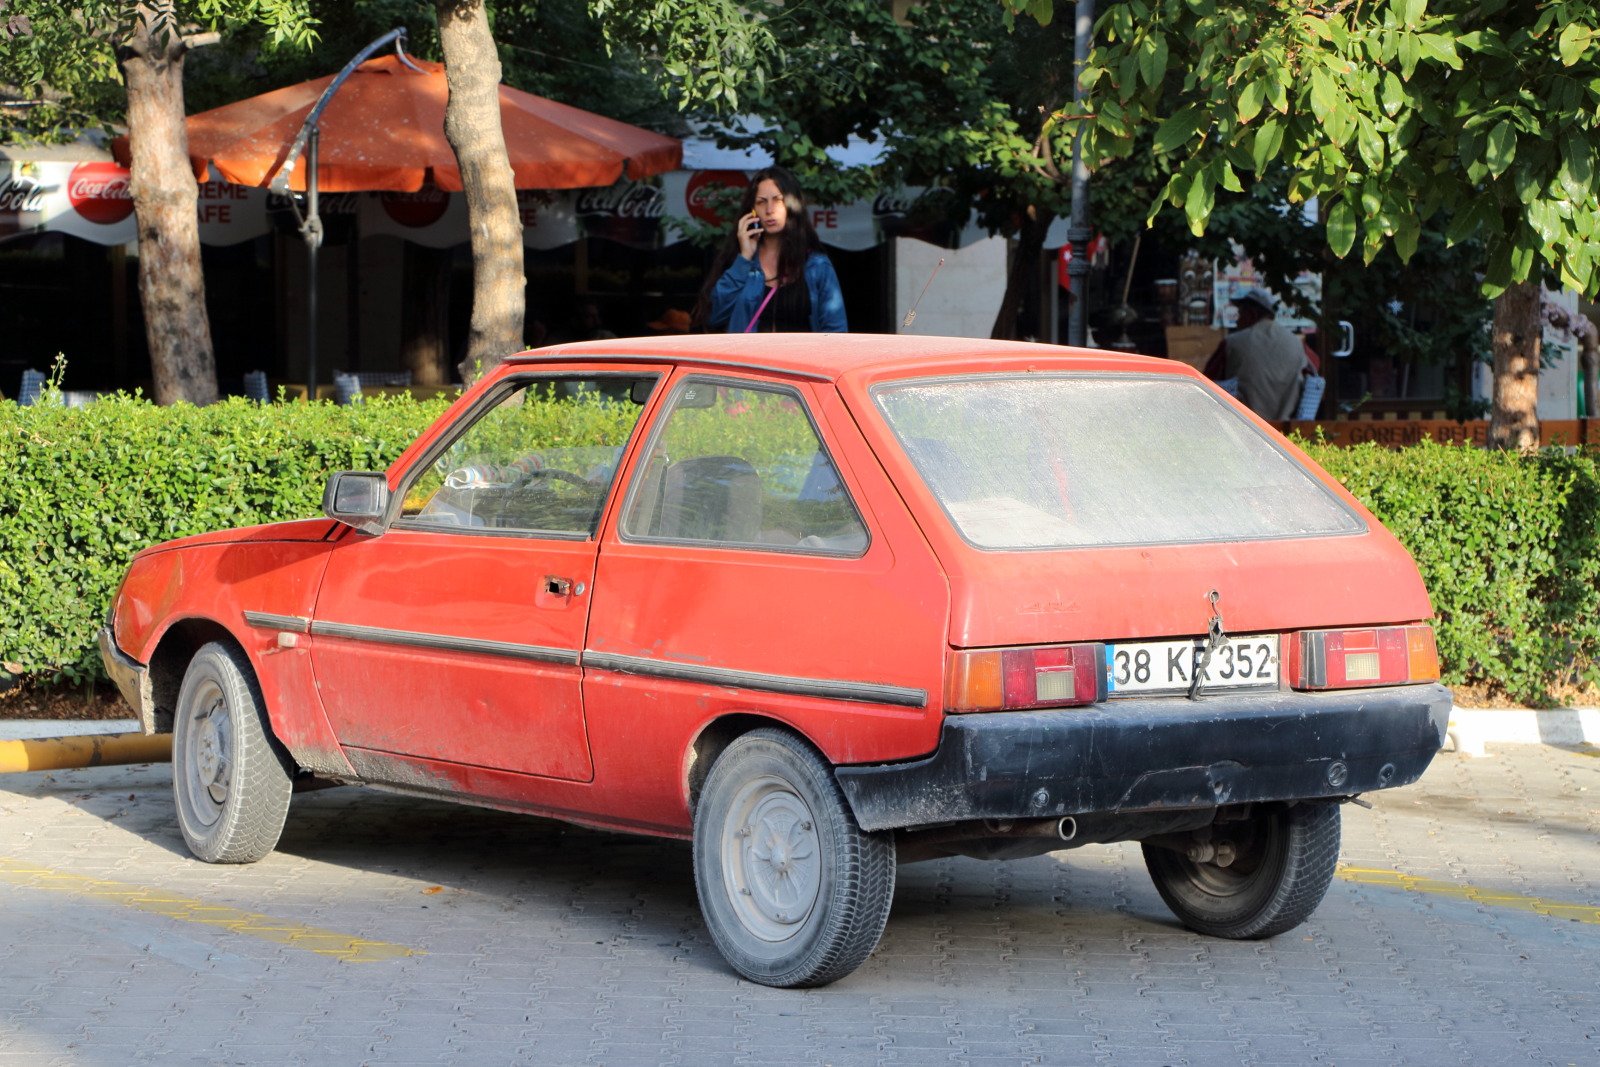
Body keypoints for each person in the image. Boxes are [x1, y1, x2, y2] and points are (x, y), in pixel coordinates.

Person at [693, 166, 848, 333]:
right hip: (749, 358)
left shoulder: (816, 266)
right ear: (752, 211)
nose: (769, 210)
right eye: (761, 202)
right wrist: (744, 258)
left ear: (792, 205)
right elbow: (714, 316)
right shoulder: (741, 262)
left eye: (777, 200)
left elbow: (836, 331)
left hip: (798, 358)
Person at [1210, 287, 1312, 419]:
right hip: (1286, 429)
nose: (1237, 320)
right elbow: (1311, 376)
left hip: (1245, 426)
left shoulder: (1232, 342)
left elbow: (1208, 381)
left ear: (1253, 314)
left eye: (1240, 314)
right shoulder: (1297, 343)